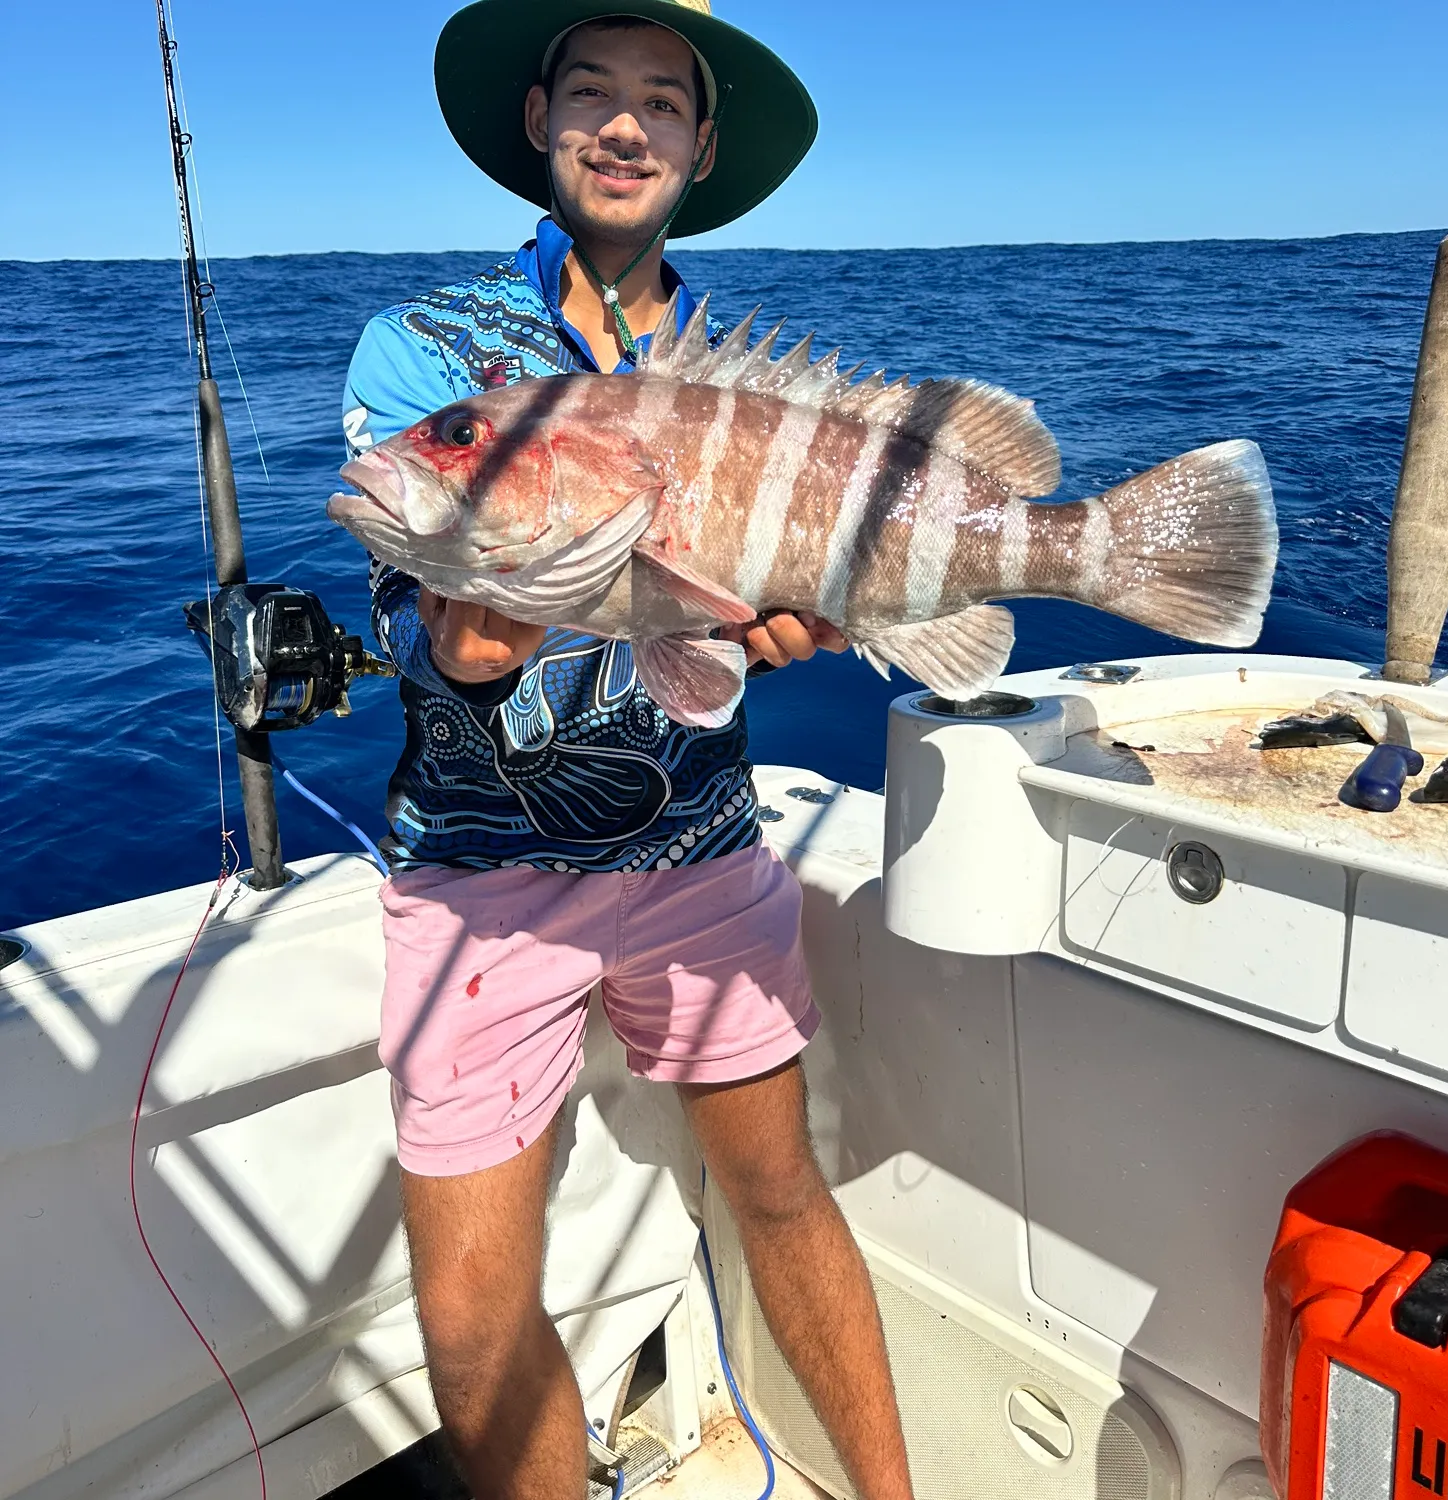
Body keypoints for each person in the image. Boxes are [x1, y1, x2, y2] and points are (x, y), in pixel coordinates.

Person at [340, 3, 916, 1497]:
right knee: (467, 1317)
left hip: (700, 853)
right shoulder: (427, 358)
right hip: (478, 874)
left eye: (663, 101)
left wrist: (820, 615)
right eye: (591, 92)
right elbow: (437, 634)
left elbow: (764, 610)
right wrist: (487, 620)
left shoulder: (744, 379)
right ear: (537, 116)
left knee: (781, 1190)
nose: (623, 125)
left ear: (701, 146)